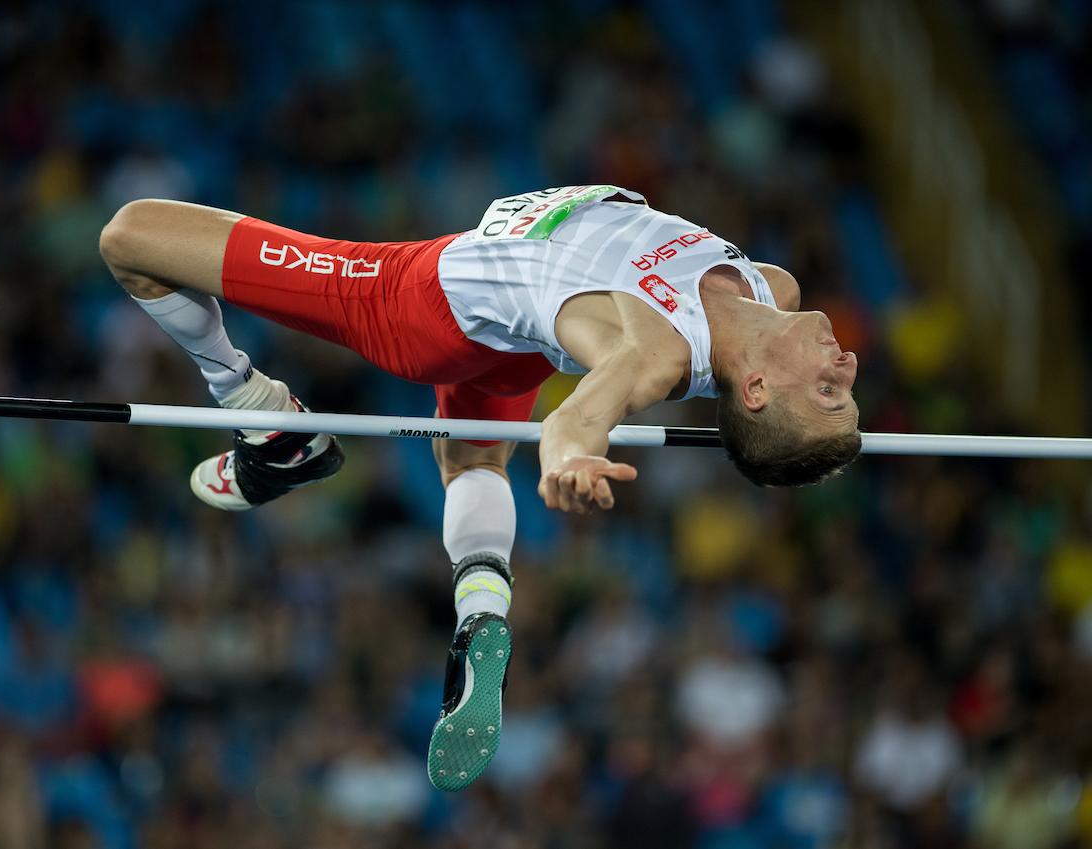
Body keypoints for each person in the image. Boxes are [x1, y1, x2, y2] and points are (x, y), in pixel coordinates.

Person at [98, 184, 860, 791]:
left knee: (133, 237)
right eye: (845, 390)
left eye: (830, 394)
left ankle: (262, 415)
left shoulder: (653, 354)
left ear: (756, 389)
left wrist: (568, 459)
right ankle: (480, 607)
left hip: (425, 305)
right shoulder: (773, 289)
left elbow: (583, 416)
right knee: (472, 462)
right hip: (517, 327)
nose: (847, 369)